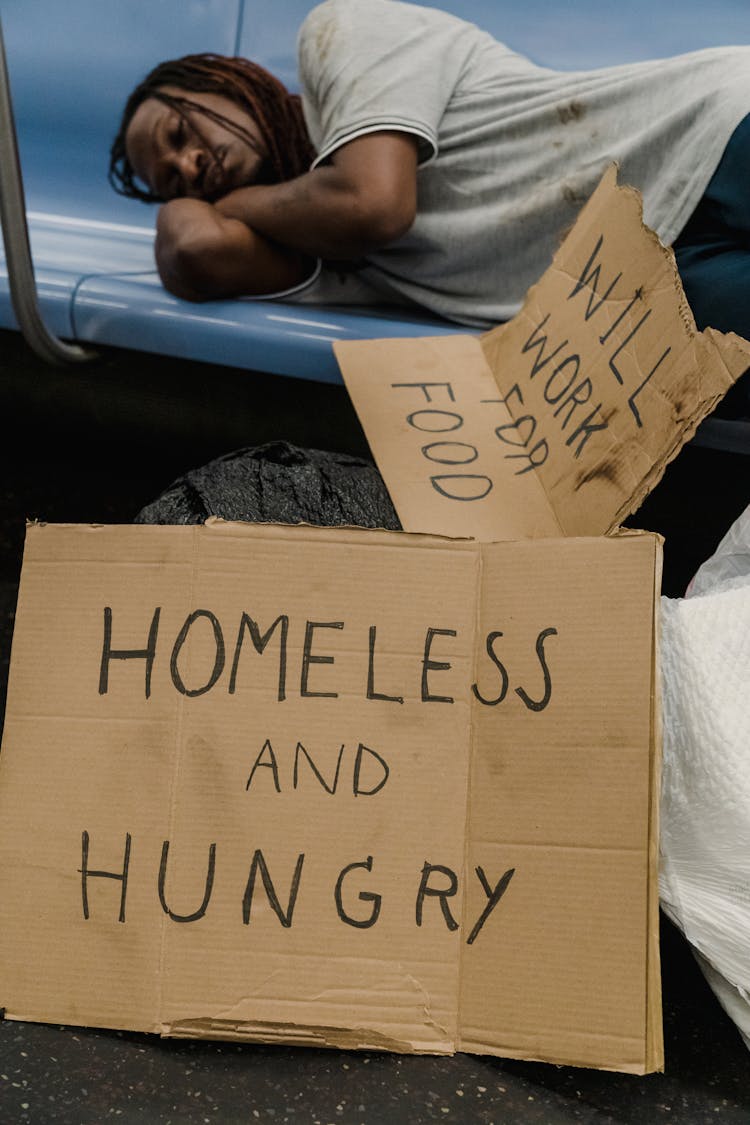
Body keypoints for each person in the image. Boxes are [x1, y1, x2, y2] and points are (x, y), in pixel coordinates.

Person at [110, 0, 750, 336]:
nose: (189, 165)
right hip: (645, 284)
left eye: (180, 131)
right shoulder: (313, 246)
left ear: (223, 79)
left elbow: (375, 206)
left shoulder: (340, 34)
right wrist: (204, 209)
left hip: (702, 131)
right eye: (172, 179)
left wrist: (232, 203)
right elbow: (194, 247)